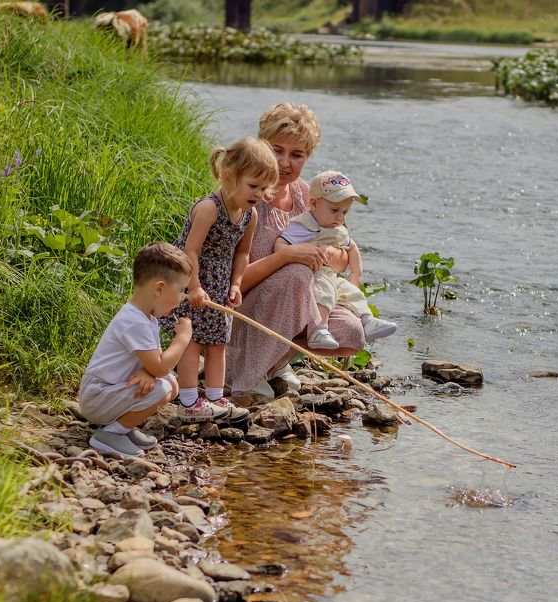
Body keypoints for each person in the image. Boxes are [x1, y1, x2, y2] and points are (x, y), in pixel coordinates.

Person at [225, 104, 366, 398]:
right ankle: (242, 372)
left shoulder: (308, 195)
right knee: (296, 275)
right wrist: (285, 256)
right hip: (241, 311)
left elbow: (340, 256)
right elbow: (228, 286)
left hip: (299, 301)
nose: (284, 163)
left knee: (350, 330)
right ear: (261, 146)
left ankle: (274, 362)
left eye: (297, 155)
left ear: (308, 156)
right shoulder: (247, 197)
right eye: (277, 150)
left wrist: (333, 256)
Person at [163, 136, 277, 421]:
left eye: (264, 188)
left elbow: (243, 253)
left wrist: (236, 284)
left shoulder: (250, 215)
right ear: (229, 177)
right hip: (191, 279)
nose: (258, 194)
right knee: (192, 340)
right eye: (253, 186)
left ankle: (215, 398)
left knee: (217, 343)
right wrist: (194, 287)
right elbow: (190, 249)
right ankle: (189, 402)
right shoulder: (209, 208)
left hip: (220, 285)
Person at [78, 242, 192, 458]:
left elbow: (156, 363)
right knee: (162, 388)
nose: (182, 298)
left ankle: (123, 426)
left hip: (111, 392)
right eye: (181, 290)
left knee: (171, 383)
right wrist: (183, 337)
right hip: (98, 396)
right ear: (159, 288)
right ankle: (110, 434)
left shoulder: (147, 318)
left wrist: (150, 371)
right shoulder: (134, 321)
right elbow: (161, 367)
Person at [273, 170, 397, 349]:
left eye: (345, 212)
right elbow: (280, 244)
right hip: (312, 275)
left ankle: (367, 320)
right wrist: (293, 252)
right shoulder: (303, 225)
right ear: (314, 204)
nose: (340, 218)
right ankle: (318, 329)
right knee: (324, 292)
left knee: (351, 292)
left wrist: (356, 272)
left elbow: (351, 247)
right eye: (335, 210)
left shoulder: (338, 229)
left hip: (331, 275)